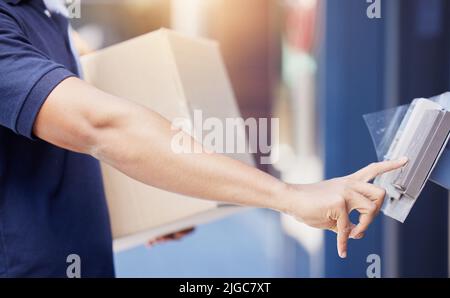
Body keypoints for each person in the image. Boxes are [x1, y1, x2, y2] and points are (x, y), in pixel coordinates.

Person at [0, 0, 407, 277]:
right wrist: (290, 195)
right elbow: (103, 128)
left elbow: (61, 144)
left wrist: (162, 198)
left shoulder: (46, 11)